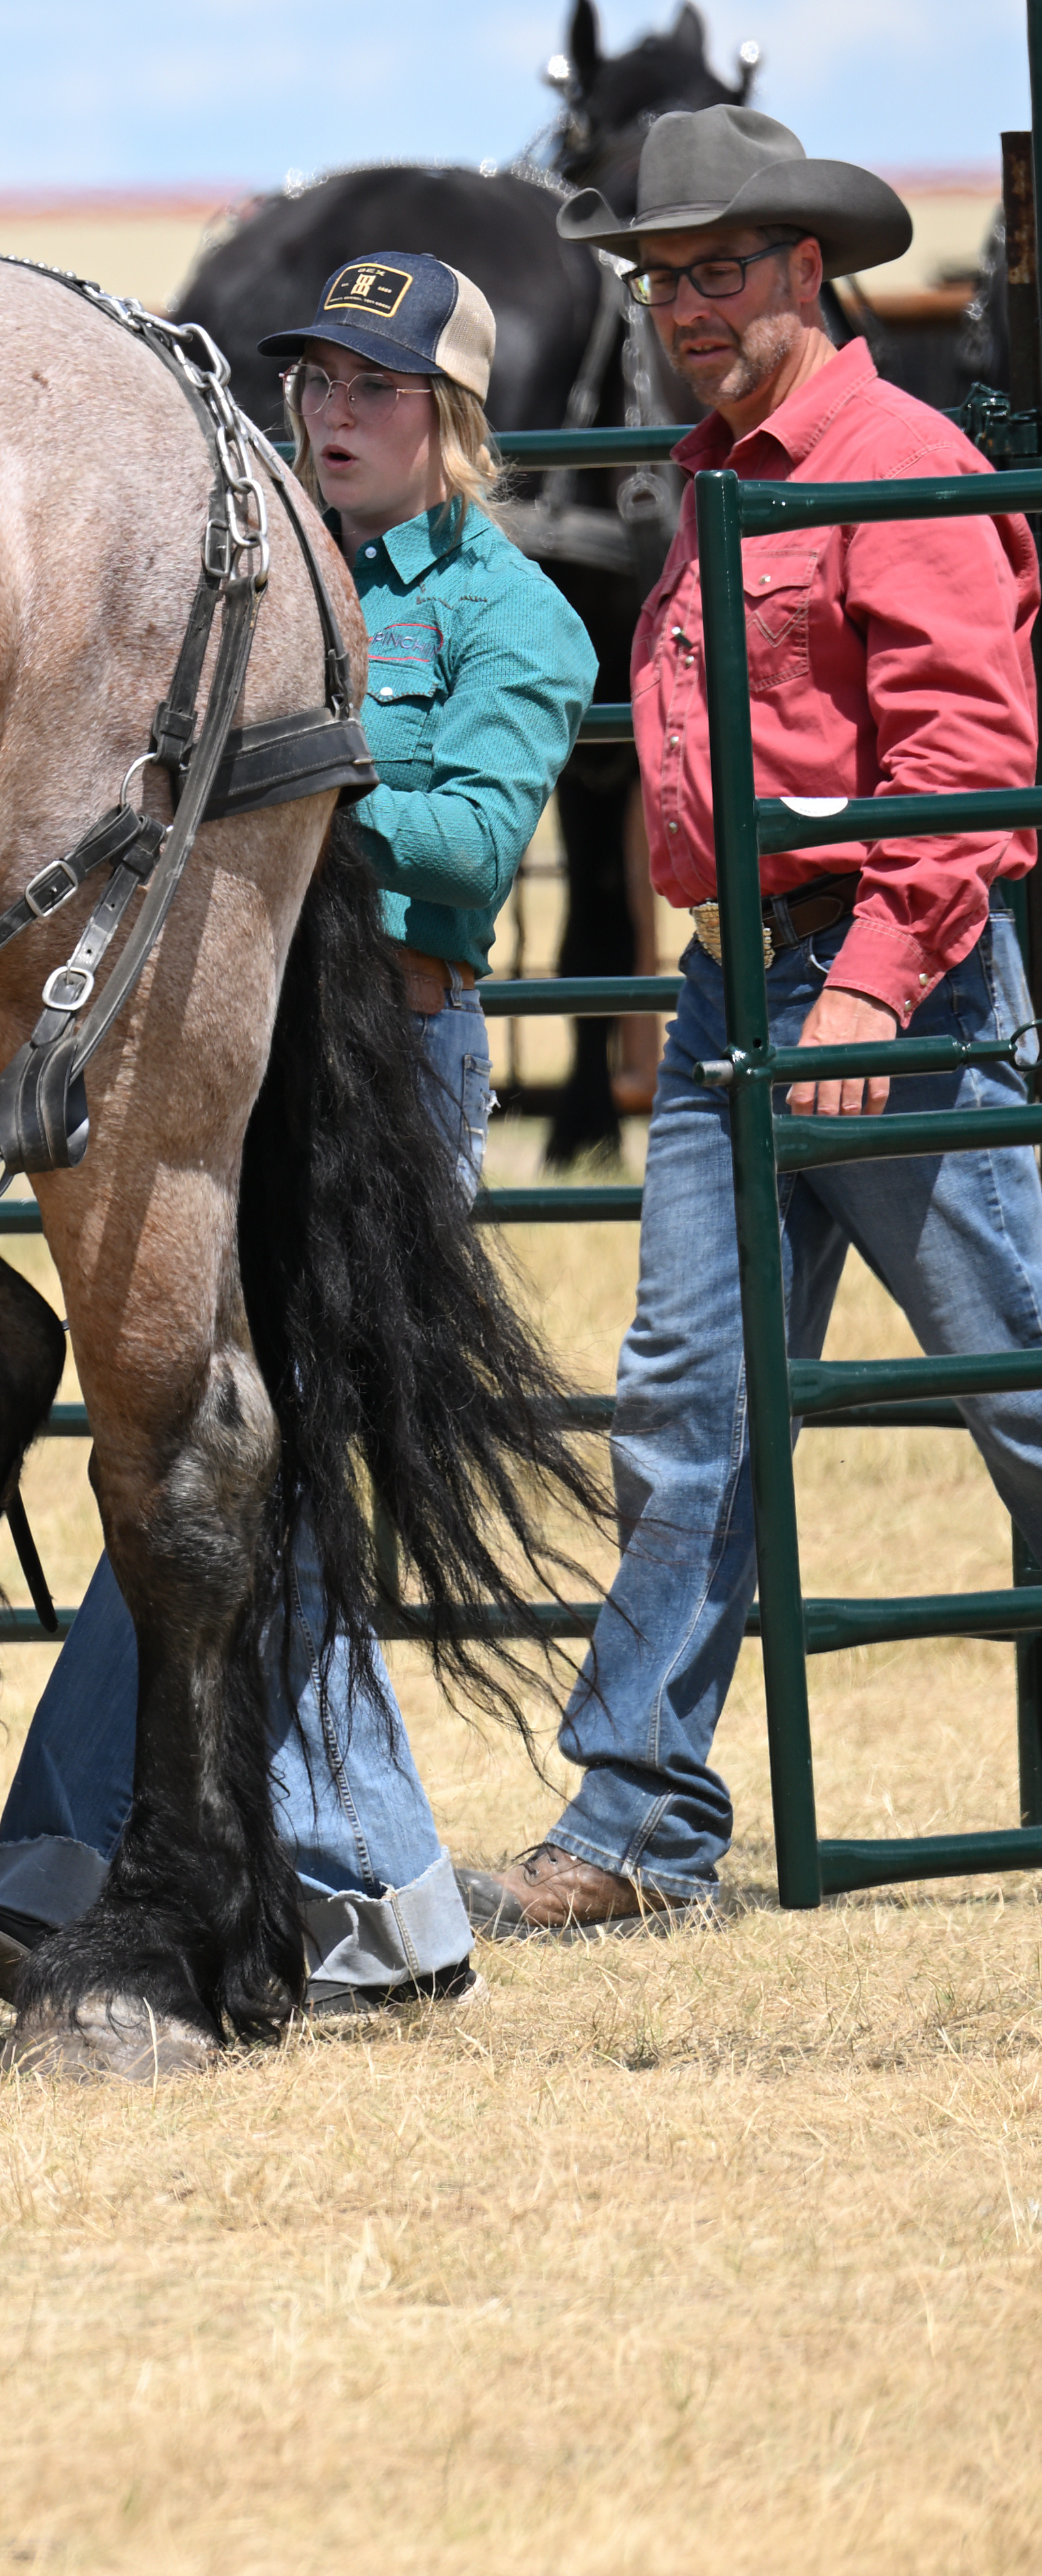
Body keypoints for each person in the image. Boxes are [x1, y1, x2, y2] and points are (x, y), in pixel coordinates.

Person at [0, 251, 588, 2012]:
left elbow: (466, 850)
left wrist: (303, 758)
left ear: (455, 419)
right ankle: (289, 1897)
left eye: (377, 389)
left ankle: (159, 1871)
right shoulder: (246, 582)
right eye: (315, 383)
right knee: (223, 1469)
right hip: (230, 1063)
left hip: (388, 1076)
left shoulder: (515, 621)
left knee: (237, 1482)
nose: (335, 414)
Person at [475, 110, 1042, 1932]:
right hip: (747, 984)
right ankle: (638, 1826)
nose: (685, 311)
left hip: (898, 975)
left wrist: (882, 967)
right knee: (688, 1397)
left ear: (810, 266)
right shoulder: (722, 475)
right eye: (661, 280)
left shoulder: (899, 463)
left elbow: (967, 762)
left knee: (1019, 1374)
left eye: (720, 270)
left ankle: (639, 1818)